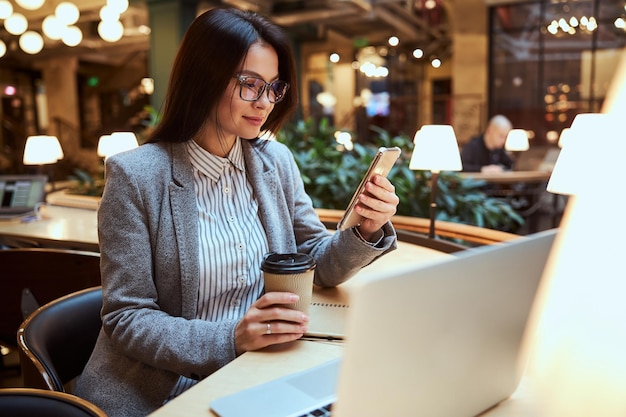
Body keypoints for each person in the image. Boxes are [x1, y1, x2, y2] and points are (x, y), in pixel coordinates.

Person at [75, 7, 399, 417]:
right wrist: (232, 338)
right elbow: (127, 317)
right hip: (167, 389)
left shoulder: (273, 162)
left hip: (258, 368)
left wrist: (365, 229)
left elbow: (315, 261)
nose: (264, 102)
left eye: (273, 88)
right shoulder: (136, 176)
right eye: (250, 84)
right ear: (204, 77)